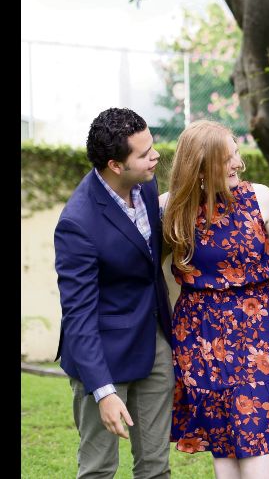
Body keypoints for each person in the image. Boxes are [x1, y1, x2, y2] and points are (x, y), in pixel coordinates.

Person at [161, 120, 269, 479]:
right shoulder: (172, 208)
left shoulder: (260, 197)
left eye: (237, 154)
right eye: (228, 158)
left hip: (257, 331)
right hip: (199, 333)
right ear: (200, 167)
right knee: (221, 438)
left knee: (253, 434)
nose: (239, 163)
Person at [54, 107, 174, 478]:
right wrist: (103, 391)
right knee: (99, 469)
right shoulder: (77, 223)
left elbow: (148, 255)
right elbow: (79, 316)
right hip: (101, 354)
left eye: (152, 145)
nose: (155, 156)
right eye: (144, 153)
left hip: (153, 341)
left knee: (156, 466)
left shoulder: (148, 185)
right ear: (116, 165)